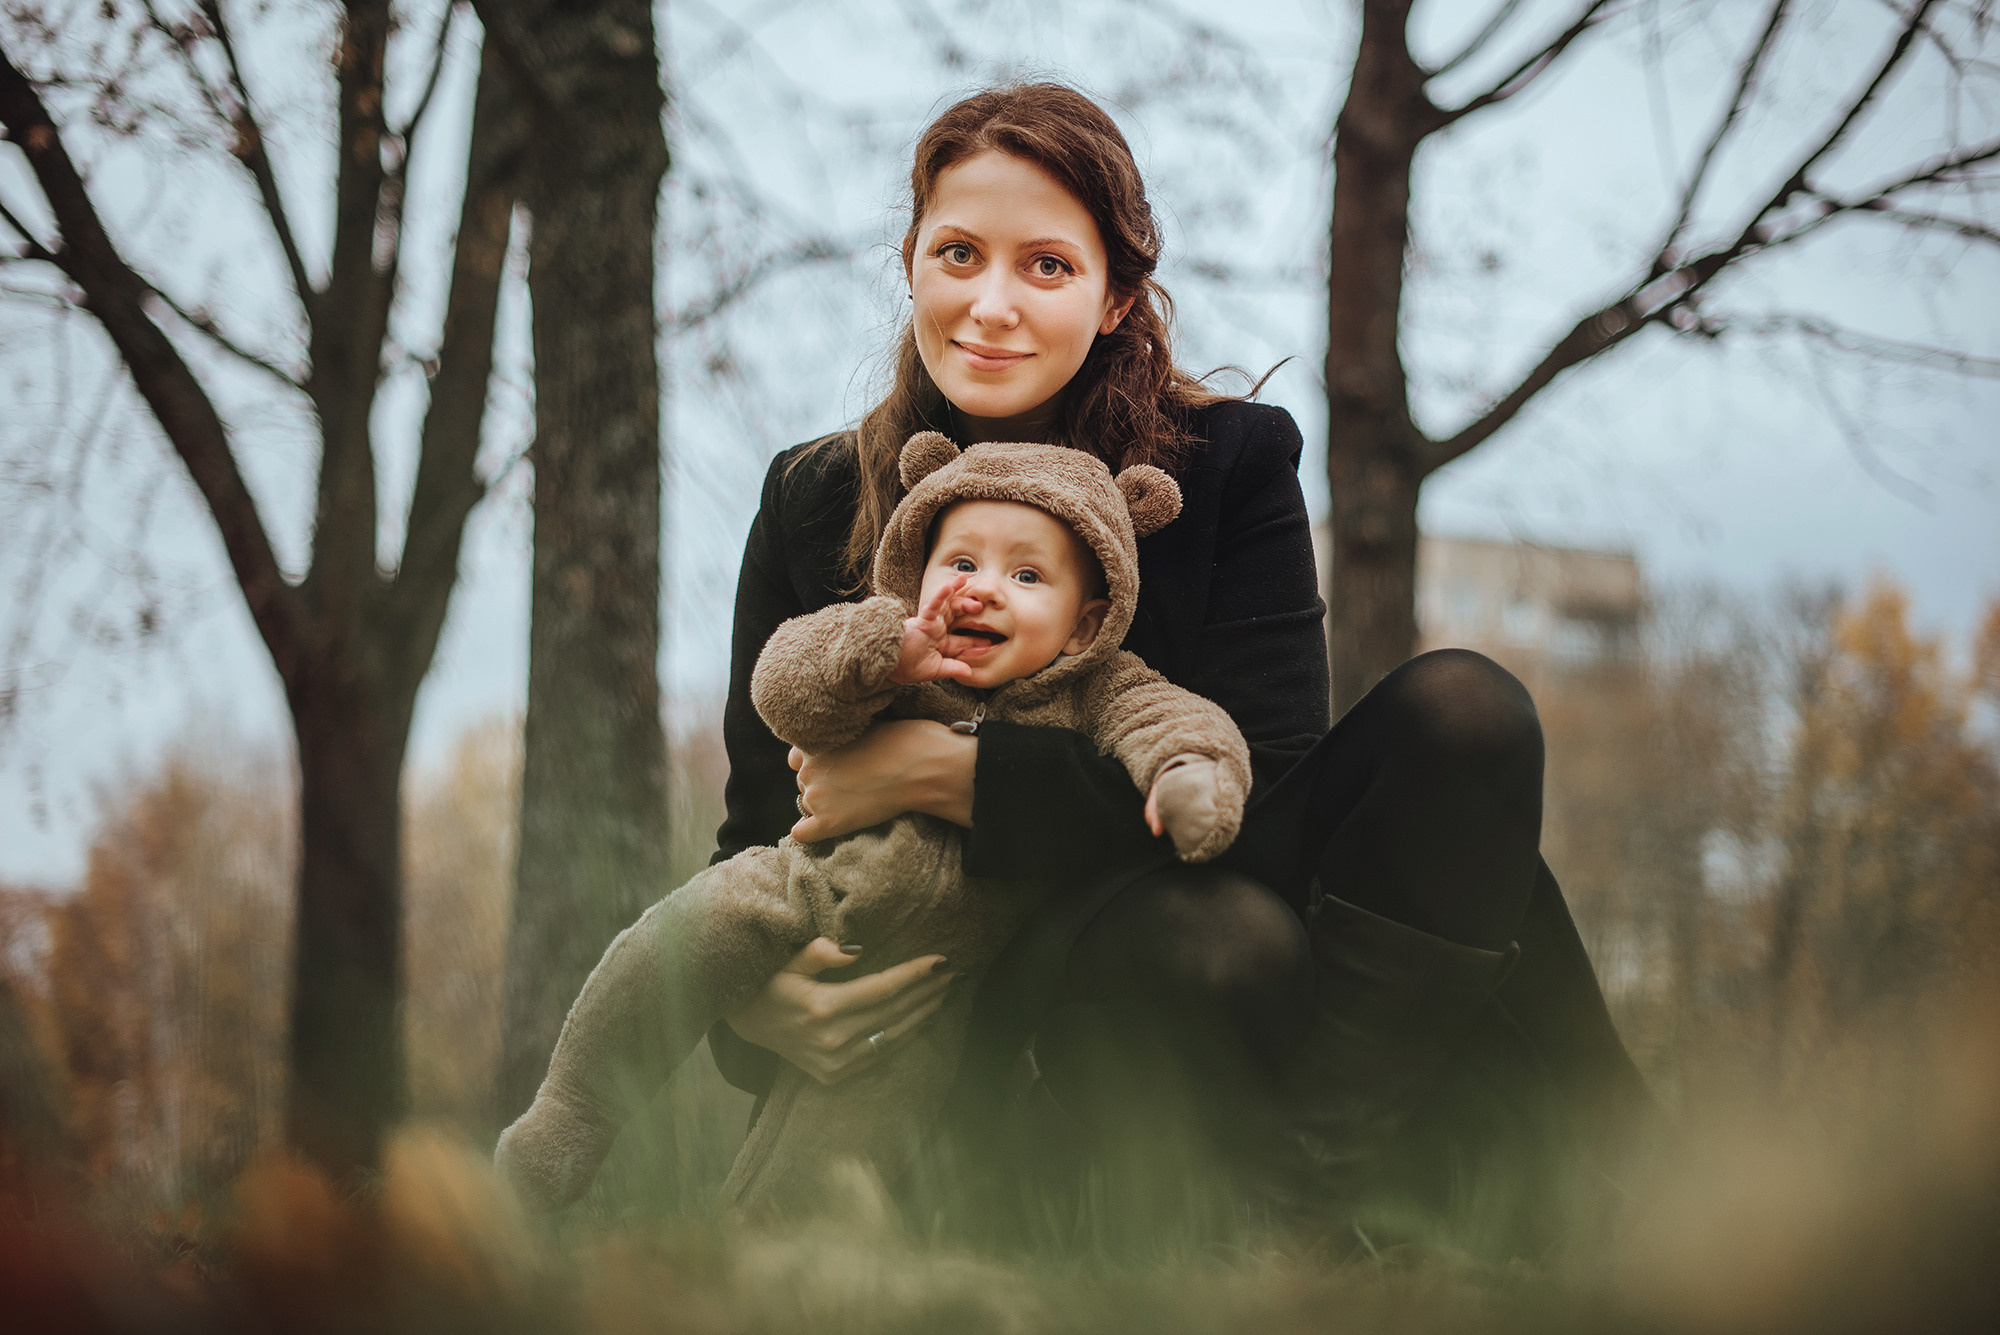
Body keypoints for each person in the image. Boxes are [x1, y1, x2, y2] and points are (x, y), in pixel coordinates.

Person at [709, 82, 1651, 1249]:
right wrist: (747, 1004)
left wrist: (938, 778)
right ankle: (1480, 1200)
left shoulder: (1224, 467)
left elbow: (1256, 788)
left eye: (1045, 266)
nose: (990, 305)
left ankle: (1306, 1206)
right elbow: (756, 833)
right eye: (957, 253)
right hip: (1000, 1001)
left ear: (1113, 296)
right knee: (1203, 938)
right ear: (910, 263)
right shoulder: (813, 501)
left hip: (1240, 926)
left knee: (1461, 714)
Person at [495, 434, 1253, 1218]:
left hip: (928, 992)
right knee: (669, 951)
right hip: (800, 886)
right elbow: (782, 685)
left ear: (1085, 624)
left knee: (828, 1172)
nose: (982, 590)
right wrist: (874, 655)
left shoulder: (1100, 688)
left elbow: (1173, 720)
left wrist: (1188, 774)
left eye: (1026, 575)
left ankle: (756, 1283)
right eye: (960, 563)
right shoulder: (894, 649)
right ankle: (564, 1122)